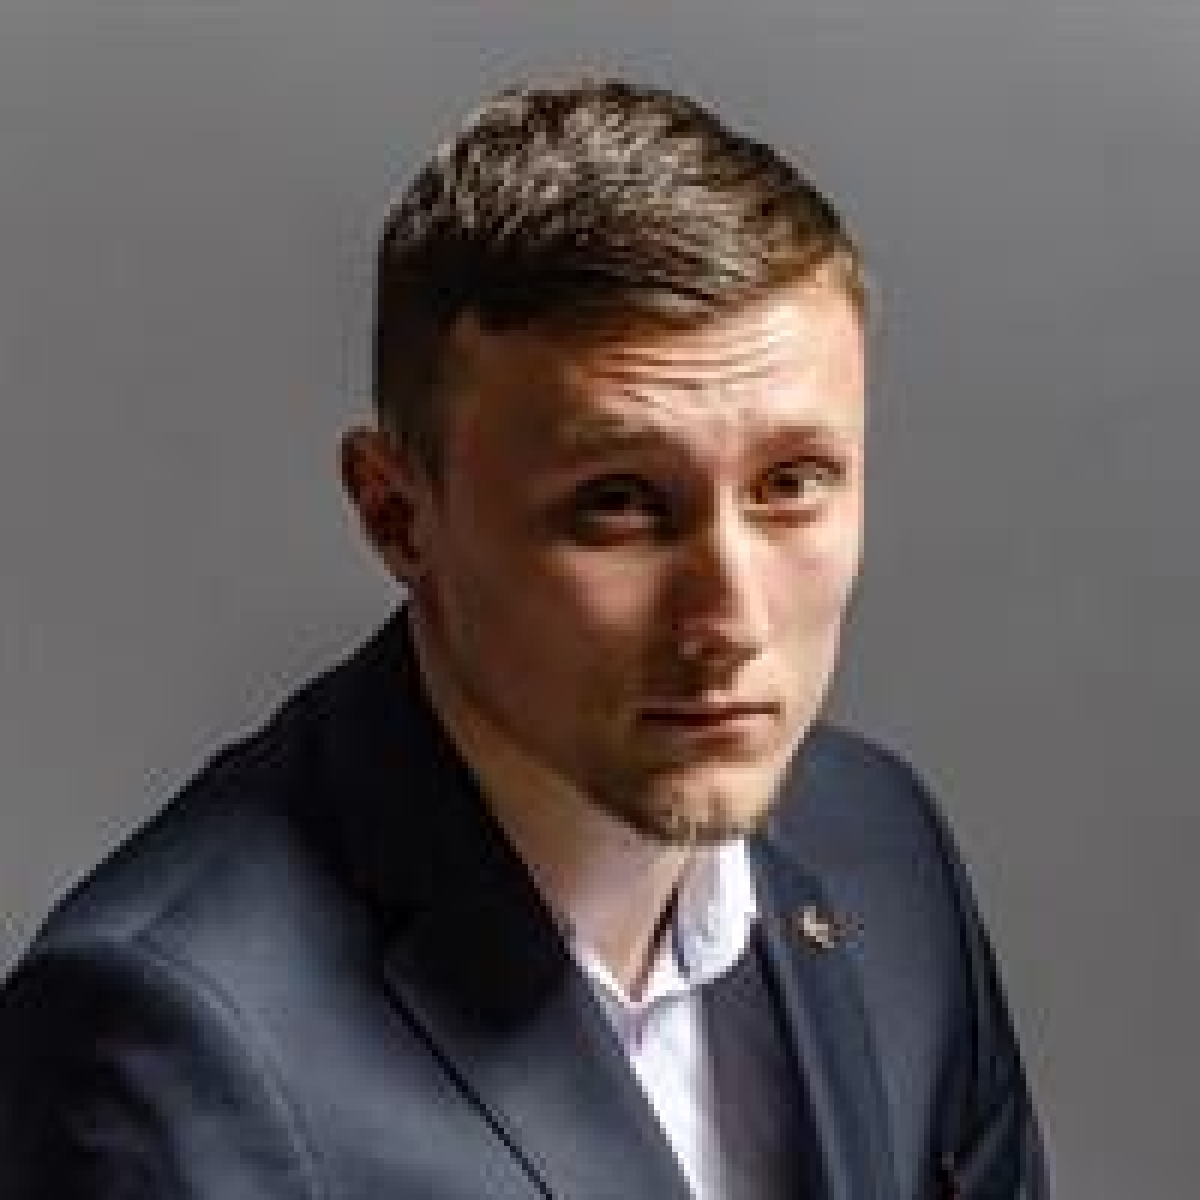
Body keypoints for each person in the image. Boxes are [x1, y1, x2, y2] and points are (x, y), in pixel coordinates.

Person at [0, 77, 1047, 1198]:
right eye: (620, 505)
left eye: (791, 485)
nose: (732, 621)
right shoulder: (165, 1039)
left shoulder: (882, 848)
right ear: (398, 516)